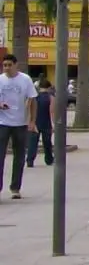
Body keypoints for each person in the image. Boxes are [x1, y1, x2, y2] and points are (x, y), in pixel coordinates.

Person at [0, 55, 37, 199]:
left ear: (16, 65)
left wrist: (32, 121)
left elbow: (33, 100)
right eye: (5, 65)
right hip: (2, 123)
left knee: (19, 156)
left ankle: (15, 188)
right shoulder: (1, 79)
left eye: (9, 65)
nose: (7, 68)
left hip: (20, 123)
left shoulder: (25, 79)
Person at [27, 78, 55, 168]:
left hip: (35, 122)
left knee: (33, 142)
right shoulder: (51, 98)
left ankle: (30, 160)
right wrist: (53, 123)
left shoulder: (34, 97)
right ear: (49, 87)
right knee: (47, 143)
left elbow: (29, 109)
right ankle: (49, 159)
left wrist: (30, 121)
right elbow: (52, 111)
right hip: (46, 123)